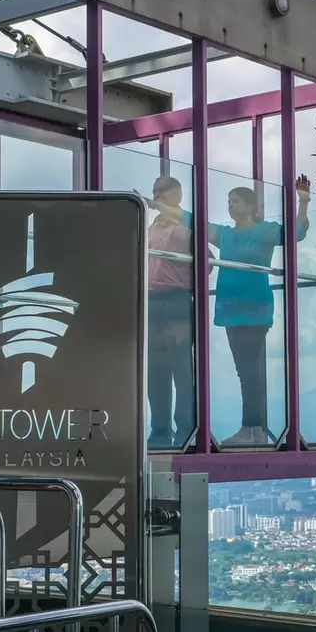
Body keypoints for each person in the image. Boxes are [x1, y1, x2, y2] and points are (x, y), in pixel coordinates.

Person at [209, 175, 311, 446]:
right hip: (230, 309)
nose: (230, 205)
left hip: (254, 309)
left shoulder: (264, 231)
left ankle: (252, 428)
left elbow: (296, 233)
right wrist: (159, 208)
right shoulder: (225, 235)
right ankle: (252, 428)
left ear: (250, 205)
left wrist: (303, 201)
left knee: (249, 370)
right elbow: (192, 224)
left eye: (235, 201)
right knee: (246, 370)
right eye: (228, 201)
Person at [144, 176, 195, 450]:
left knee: (181, 368)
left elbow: (206, 262)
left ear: (177, 193)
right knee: (156, 368)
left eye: (162, 191)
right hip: (151, 301)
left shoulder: (187, 226)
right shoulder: (150, 228)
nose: (157, 196)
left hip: (177, 300)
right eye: (154, 192)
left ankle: (186, 429)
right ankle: (160, 429)